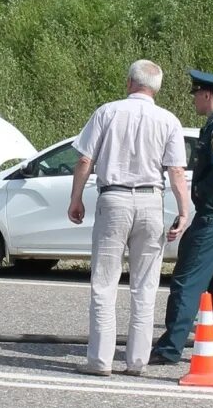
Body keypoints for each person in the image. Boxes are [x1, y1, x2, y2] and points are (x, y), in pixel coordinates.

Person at [69, 60, 190, 376]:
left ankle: (100, 361)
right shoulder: (168, 120)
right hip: (151, 200)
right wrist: (183, 210)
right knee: (145, 286)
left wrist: (76, 198)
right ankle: (137, 361)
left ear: (129, 83)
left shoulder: (107, 112)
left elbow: (85, 159)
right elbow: (176, 170)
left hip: (114, 199)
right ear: (157, 88)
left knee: (105, 282)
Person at [152, 70, 213, 368]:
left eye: (196, 95)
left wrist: (200, 191)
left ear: (206, 95)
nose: (194, 101)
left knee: (187, 277)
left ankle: (169, 348)